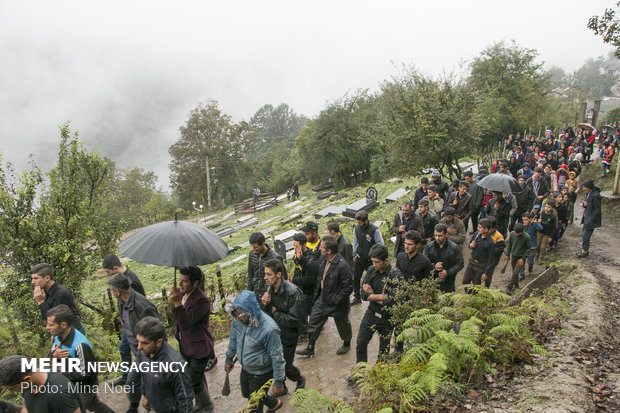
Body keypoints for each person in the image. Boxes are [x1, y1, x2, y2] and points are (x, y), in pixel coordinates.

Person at [44, 305, 114, 413]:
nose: (47, 327)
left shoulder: (80, 345)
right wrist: (54, 355)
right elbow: (51, 355)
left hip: (84, 387)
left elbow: (87, 373)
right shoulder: (58, 337)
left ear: (63, 325)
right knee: (93, 404)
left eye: (50, 325)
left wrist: (64, 373)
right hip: (71, 382)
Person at [225, 291, 285, 412]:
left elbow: (277, 356)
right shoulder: (238, 320)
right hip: (246, 367)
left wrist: (278, 381)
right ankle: (273, 403)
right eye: (235, 314)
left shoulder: (269, 329)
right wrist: (229, 358)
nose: (237, 318)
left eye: (240, 316)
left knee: (254, 406)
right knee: (247, 393)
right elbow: (233, 339)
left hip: (261, 373)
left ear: (249, 313)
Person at [108, 274, 160, 413]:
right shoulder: (122, 301)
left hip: (148, 353)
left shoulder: (142, 305)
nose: (111, 293)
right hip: (137, 351)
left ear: (117, 292)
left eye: (112, 290)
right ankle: (133, 407)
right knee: (132, 382)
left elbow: (157, 330)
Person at [297, 235, 353, 358]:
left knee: (342, 323)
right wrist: (302, 259)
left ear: (329, 251)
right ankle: (310, 347)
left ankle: (346, 342)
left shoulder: (343, 266)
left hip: (337, 301)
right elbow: (313, 267)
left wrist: (337, 299)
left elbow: (348, 287)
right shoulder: (323, 260)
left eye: (322, 248)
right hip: (322, 296)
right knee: (314, 321)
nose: (319, 249)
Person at [169, 267, 215, 413]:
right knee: (198, 377)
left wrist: (177, 304)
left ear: (195, 283)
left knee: (192, 380)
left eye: (184, 281)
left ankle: (207, 405)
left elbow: (186, 323)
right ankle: (201, 402)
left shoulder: (202, 300)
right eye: (180, 280)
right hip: (186, 346)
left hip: (199, 347)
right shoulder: (183, 295)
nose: (181, 284)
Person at [260, 259, 306, 394]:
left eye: (269, 274)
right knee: (274, 362)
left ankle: (299, 379)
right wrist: (266, 304)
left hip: (289, 334)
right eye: (265, 274)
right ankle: (281, 386)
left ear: (279, 274)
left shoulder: (292, 292)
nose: (265, 277)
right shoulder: (268, 288)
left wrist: (275, 312)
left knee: (285, 366)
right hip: (274, 332)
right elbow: (265, 314)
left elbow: (294, 320)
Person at [134, 317, 194, 413]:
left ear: (159, 342)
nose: (139, 347)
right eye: (138, 341)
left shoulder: (176, 365)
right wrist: (145, 395)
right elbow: (144, 376)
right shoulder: (144, 353)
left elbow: (185, 400)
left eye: (144, 343)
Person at [102, 254, 145, 386]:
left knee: (139, 351)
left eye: (108, 272)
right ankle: (126, 376)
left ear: (115, 268)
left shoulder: (132, 281)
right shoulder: (120, 279)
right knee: (124, 347)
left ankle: (141, 377)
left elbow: (140, 303)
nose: (108, 275)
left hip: (136, 324)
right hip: (127, 321)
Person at [355, 244, 399, 364]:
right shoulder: (371, 270)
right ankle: (360, 370)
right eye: (372, 262)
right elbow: (363, 294)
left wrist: (372, 294)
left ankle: (379, 373)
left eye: (377, 262)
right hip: (371, 314)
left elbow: (391, 301)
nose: (374, 265)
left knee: (384, 349)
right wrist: (380, 297)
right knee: (361, 343)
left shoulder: (395, 275)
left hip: (387, 318)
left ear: (386, 260)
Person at [0, 355, 84, 413]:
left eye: (12, 388)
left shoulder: (60, 394)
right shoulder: (27, 385)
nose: (11, 392)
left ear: (27, 379)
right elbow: (27, 408)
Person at [30, 263, 83, 333]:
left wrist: (41, 302)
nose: (32, 282)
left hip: (72, 334)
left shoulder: (61, 294)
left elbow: (53, 320)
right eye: (32, 278)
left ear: (47, 278)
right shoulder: (47, 291)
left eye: (35, 278)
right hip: (61, 333)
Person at [352, 210, 384, 305]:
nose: (358, 224)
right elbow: (355, 243)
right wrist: (354, 254)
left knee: (375, 279)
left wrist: (376, 257)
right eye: (357, 222)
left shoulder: (374, 230)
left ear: (366, 221)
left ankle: (376, 297)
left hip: (371, 260)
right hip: (360, 257)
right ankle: (357, 297)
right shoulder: (357, 229)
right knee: (356, 277)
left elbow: (380, 244)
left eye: (360, 222)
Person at [291, 232, 318, 342]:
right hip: (300, 290)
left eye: (296, 246)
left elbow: (309, 280)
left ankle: (308, 334)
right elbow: (297, 270)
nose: (294, 248)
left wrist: (293, 280)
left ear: (304, 245)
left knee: (308, 313)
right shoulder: (296, 255)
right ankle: (305, 332)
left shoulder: (311, 258)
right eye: (294, 245)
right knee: (301, 313)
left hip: (309, 291)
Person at [424, 223, 464, 293]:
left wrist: (448, 272)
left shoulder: (454, 247)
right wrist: (434, 266)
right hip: (432, 278)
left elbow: (460, 263)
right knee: (430, 301)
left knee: (448, 302)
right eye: (435, 235)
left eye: (440, 236)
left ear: (446, 235)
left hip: (448, 280)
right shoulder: (429, 246)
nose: (437, 238)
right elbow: (424, 261)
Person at [247, 232, 287, 300]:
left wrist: (271, 293)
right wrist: (249, 292)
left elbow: (283, 277)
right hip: (256, 293)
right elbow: (250, 274)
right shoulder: (252, 254)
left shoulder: (275, 257)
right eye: (252, 247)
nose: (253, 249)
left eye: (255, 247)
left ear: (263, 244)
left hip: (270, 295)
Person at [462, 219, 495, 287]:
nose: (478, 228)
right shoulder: (476, 234)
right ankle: (469, 294)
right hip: (472, 262)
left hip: (481, 265)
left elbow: (491, 260)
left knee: (476, 285)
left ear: (486, 229)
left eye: (480, 227)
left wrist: (486, 273)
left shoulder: (490, 243)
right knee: (465, 282)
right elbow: (470, 245)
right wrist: (471, 246)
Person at [503, 223, 532, 295]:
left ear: (522, 231)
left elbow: (528, 248)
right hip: (514, 255)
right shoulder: (512, 234)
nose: (517, 234)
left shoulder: (526, 237)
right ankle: (516, 286)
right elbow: (509, 244)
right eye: (516, 232)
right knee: (514, 272)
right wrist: (507, 254)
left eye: (518, 233)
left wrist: (523, 258)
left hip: (521, 257)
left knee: (516, 272)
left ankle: (509, 287)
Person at [576, 180, 602, 258]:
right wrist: (584, 205)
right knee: (584, 235)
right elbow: (586, 204)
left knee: (586, 235)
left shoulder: (595, 195)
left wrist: (591, 218)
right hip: (586, 217)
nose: (583, 188)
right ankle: (584, 250)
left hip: (591, 219)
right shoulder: (588, 194)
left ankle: (584, 251)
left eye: (584, 187)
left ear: (588, 187)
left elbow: (597, 209)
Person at [521, 213, 542, 277]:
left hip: (532, 246)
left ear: (530, 219)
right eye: (523, 220)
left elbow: (540, 228)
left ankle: (530, 267)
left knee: (530, 261)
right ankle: (521, 274)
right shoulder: (522, 227)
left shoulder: (534, 226)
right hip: (523, 247)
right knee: (522, 261)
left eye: (526, 220)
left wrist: (536, 222)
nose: (525, 221)